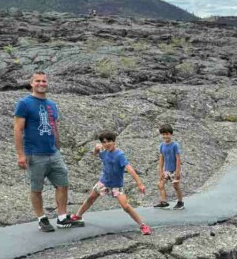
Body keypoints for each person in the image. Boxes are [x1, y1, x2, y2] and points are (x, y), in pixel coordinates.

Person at [14, 71, 76, 232]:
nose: (41, 84)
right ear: (32, 84)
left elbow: (55, 126)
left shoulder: (51, 105)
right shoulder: (24, 103)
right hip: (35, 154)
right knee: (37, 188)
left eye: (44, 81)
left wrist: (57, 147)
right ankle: (42, 218)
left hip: (53, 153)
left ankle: (62, 217)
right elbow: (18, 129)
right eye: (38, 81)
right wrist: (21, 154)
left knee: (62, 184)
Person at [69, 131, 152, 235]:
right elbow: (95, 154)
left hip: (116, 186)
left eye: (109, 141)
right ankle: (78, 216)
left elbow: (130, 169)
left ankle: (143, 225)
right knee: (91, 198)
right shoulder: (104, 152)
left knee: (125, 206)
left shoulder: (119, 155)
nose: (107, 144)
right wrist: (96, 149)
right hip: (104, 183)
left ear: (114, 141)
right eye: (104, 142)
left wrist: (140, 184)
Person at [154, 124, 184, 209]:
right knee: (160, 185)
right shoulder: (162, 146)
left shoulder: (175, 145)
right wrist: (161, 171)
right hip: (166, 170)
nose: (165, 136)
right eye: (163, 134)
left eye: (167, 134)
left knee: (176, 186)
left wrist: (178, 172)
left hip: (175, 170)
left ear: (171, 134)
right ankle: (164, 202)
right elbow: (162, 158)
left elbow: (178, 159)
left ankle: (180, 202)